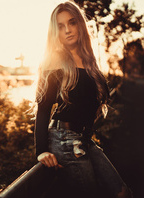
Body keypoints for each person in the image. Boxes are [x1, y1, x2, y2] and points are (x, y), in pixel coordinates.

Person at [34, 1, 133, 198]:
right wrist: (41, 151)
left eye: (72, 23)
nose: (68, 30)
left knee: (123, 192)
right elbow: (43, 109)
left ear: (80, 24)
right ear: (55, 32)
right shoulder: (54, 61)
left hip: (85, 139)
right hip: (64, 140)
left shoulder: (89, 61)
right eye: (61, 27)